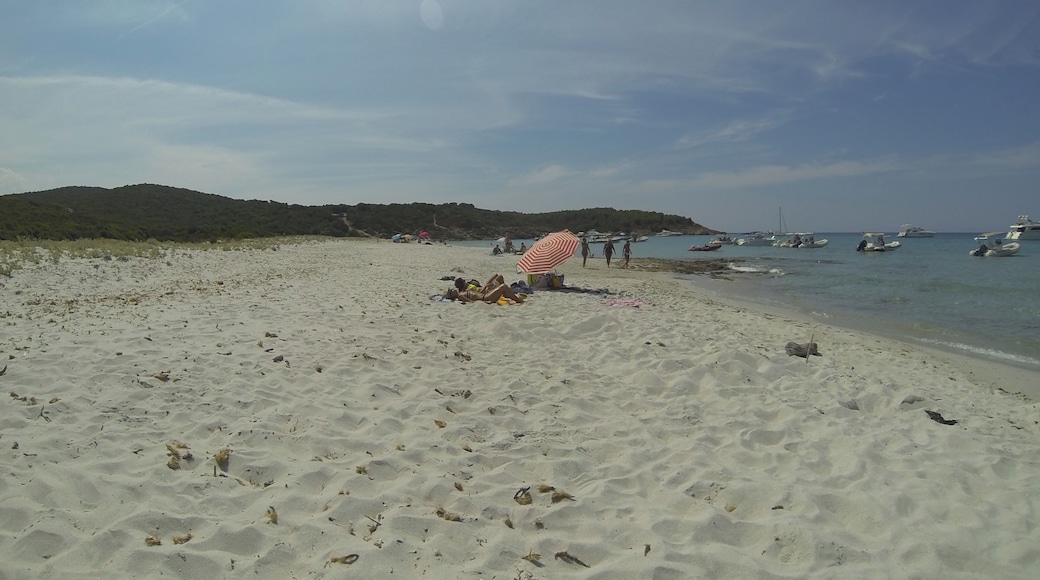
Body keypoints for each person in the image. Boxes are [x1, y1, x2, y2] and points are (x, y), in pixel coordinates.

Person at [444, 276, 525, 304]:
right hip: (485, 298)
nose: (453, 290)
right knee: (503, 286)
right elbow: (472, 302)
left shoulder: (462, 292)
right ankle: (519, 301)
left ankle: (511, 297)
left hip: (485, 295)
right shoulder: (461, 296)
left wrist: (486, 287)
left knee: (502, 286)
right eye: (451, 291)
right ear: (452, 295)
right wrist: (484, 302)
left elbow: (475, 294)